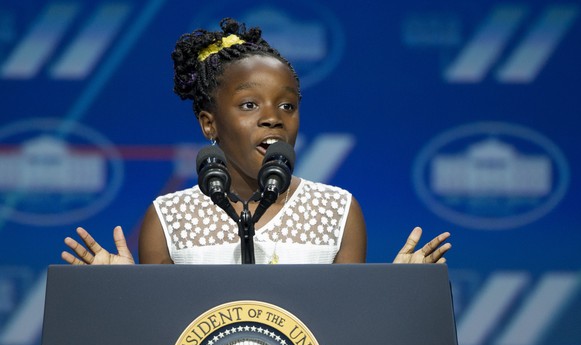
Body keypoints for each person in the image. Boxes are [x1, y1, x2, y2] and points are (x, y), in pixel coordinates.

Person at [61, 18, 451, 266]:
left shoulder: (338, 212)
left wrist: (395, 292)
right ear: (209, 123)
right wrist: (124, 293)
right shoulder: (168, 219)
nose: (272, 117)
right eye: (249, 104)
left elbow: (348, 336)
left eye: (287, 105)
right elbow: (162, 341)